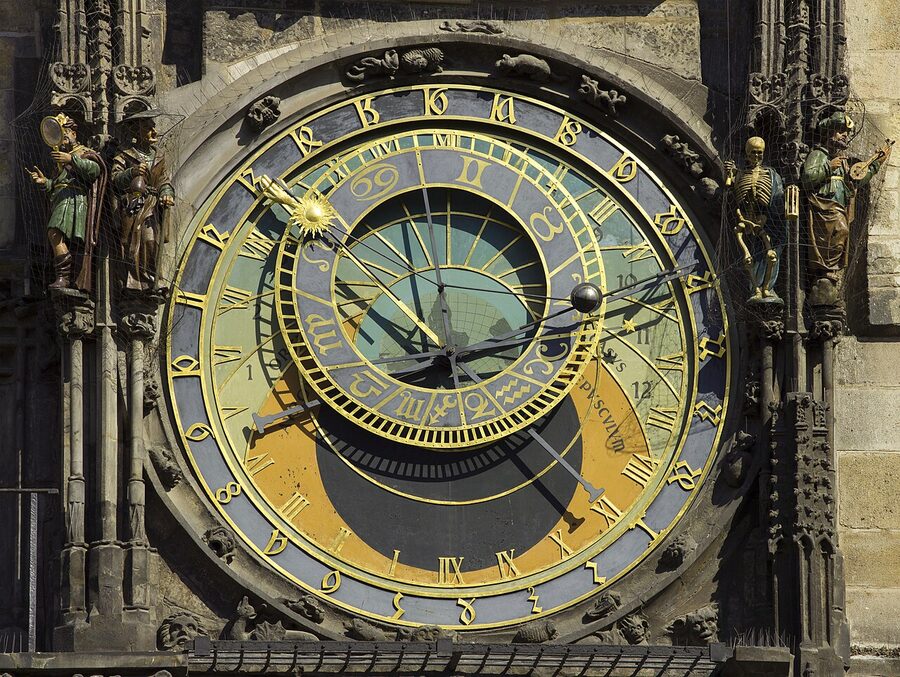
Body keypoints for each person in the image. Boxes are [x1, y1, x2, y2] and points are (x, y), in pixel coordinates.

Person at [802, 112, 883, 286]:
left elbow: (856, 179)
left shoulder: (843, 161)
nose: (845, 135)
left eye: (846, 132)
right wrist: (828, 167)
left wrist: (876, 164)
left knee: (841, 233)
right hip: (823, 207)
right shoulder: (819, 155)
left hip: (839, 207)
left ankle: (830, 270)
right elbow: (807, 178)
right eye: (840, 131)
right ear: (829, 133)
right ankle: (824, 271)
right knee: (839, 231)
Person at [27, 114, 105, 290]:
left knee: (54, 233)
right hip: (62, 199)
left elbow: (95, 170)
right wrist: (44, 182)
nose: (63, 137)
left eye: (65, 133)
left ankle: (64, 277)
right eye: (60, 134)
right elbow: (57, 184)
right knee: (56, 235)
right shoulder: (62, 157)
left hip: (74, 200)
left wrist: (72, 159)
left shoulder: (83, 152)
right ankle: (65, 277)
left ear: (74, 134)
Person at [111, 109, 174, 290]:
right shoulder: (125, 154)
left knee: (151, 240)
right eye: (148, 128)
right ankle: (134, 282)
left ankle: (152, 280)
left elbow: (164, 180)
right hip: (133, 204)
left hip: (152, 206)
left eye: (154, 127)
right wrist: (131, 172)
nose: (154, 132)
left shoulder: (158, 156)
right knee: (133, 244)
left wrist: (166, 193)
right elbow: (115, 178)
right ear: (136, 132)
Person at [725, 136, 787, 302]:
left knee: (771, 254)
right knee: (750, 256)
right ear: (746, 154)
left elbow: (778, 199)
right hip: (744, 222)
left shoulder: (772, 175)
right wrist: (731, 175)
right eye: (753, 153)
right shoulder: (740, 174)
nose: (757, 156)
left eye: (760, 153)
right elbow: (731, 196)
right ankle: (755, 289)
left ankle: (767, 287)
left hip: (765, 222)